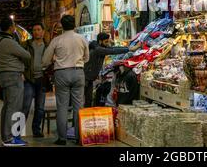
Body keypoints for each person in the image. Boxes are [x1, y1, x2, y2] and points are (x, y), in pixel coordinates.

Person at [42, 15, 89, 146]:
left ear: (62, 26)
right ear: (74, 25)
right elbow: (87, 58)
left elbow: (45, 60)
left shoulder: (57, 40)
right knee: (78, 106)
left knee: (62, 106)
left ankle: (62, 138)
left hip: (61, 73)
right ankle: (79, 137)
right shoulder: (82, 39)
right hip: (78, 72)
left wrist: (54, 60)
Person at [0, 17, 31, 147]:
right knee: (13, 107)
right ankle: (9, 138)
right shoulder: (8, 42)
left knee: (7, 107)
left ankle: (6, 136)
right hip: (13, 76)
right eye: (14, 25)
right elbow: (26, 54)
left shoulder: (0, 40)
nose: (15, 27)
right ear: (11, 27)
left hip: (5, 75)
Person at [84, 32, 141, 107]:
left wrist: (129, 48)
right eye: (106, 42)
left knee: (88, 99)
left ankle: (86, 116)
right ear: (100, 41)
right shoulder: (97, 49)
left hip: (89, 78)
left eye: (108, 41)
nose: (107, 43)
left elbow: (113, 48)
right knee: (83, 99)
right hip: (84, 78)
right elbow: (112, 51)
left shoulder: (99, 47)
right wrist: (131, 49)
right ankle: (80, 116)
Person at [21, 22, 48, 138]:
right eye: (34, 30)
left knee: (40, 107)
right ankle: (18, 130)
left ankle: (36, 130)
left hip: (41, 79)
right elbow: (18, 58)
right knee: (25, 106)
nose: (36, 32)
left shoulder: (48, 46)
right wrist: (21, 72)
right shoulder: (26, 44)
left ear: (43, 31)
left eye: (38, 29)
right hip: (28, 79)